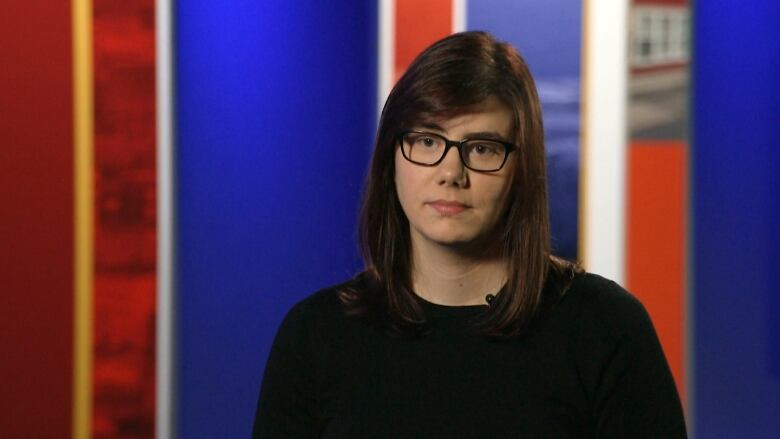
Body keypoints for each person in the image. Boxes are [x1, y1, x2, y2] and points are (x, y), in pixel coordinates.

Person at [252, 31, 687, 438]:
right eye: (426, 141)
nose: (450, 173)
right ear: (392, 158)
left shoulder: (605, 330)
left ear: (522, 169)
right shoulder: (316, 336)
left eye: (481, 148)